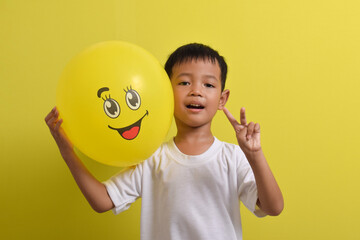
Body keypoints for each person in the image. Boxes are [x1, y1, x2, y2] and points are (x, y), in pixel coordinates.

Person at [45, 43, 284, 240]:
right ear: (165, 91)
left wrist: (255, 155)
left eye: (208, 84)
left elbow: (273, 207)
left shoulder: (232, 157)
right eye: (184, 83)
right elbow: (102, 201)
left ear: (222, 99)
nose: (196, 91)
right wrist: (68, 153)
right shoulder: (152, 158)